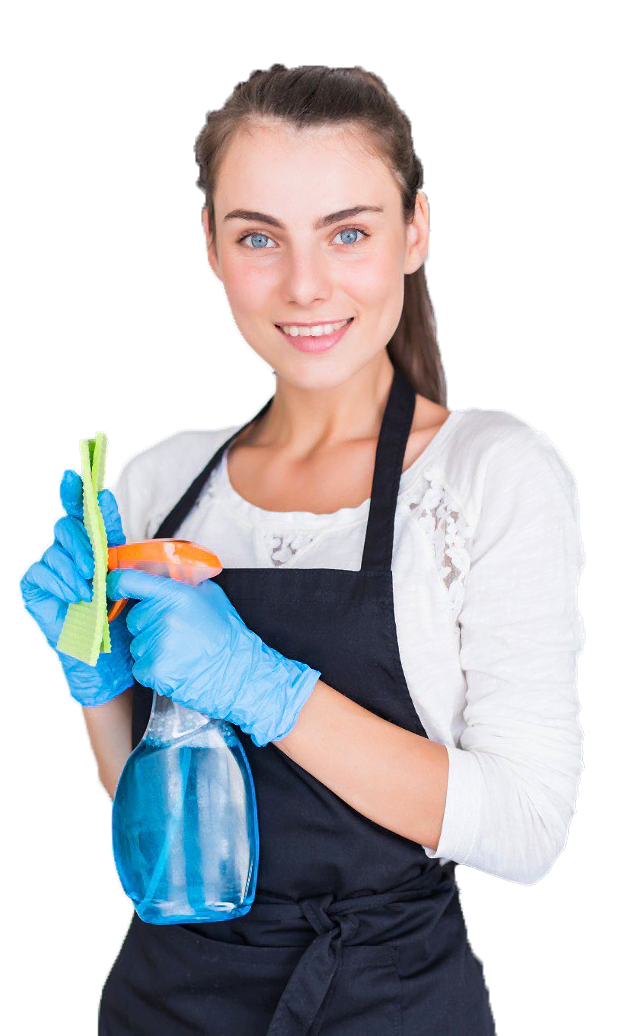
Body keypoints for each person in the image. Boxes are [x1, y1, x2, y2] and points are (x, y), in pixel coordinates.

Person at [21, 65, 585, 1034]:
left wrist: (265, 688)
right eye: (258, 237)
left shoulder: (488, 471)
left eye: (347, 232)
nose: (304, 284)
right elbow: (153, 837)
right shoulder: (159, 486)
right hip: (164, 1002)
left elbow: (528, 830)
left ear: (415, 231)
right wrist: (96, 685)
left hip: (389, 1003)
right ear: (210, 245)